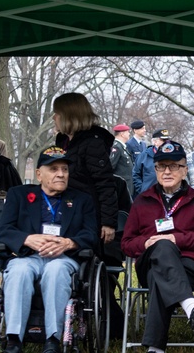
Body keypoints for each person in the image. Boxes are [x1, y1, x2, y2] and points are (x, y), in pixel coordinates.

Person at [0, 147, 99, 353]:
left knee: (55, 271)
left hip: (64, 259)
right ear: (39, 174)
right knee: (18, 271)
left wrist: (69, 243)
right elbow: (4, 232)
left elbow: (91, 235)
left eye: (64, 169)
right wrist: (27, 238)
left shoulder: (81, 200)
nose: (61, 174)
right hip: (28, 257)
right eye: (54, 169)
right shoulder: (20, 195)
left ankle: (53, 343)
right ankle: (13, 344)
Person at [121, 140, 194, 353]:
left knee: (159, 274)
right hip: (150, 261)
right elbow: (126, 243)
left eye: (174, 166)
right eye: (162, 166)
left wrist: (176, 239)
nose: (167, 172)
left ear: (185, 169)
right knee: (159, 254)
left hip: (190, 267)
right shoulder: (142, 202)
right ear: (154, 170)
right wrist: (146, 242)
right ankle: (191, 308)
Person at [53, 93, 118, 247]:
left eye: (57, 113)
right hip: (64, 210)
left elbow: (105, 183)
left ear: (68, 115)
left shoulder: (92, 143)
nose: (54, 118)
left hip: (85, 214)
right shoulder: (63, 141)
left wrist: (108, 222)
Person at [132, 128, 169, 197]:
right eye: (163, 140)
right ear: (155, 142)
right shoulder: (144, 156)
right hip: (149, 197)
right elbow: (136, 175)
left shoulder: (173, 156)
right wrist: (142, 190)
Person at [110, 123, 135, 197]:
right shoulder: (117, 147)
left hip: (127, 185)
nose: (129, 134)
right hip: (121, 185)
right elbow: (111, 165)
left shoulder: (122, 147)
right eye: (127, 132)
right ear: (122, 134)